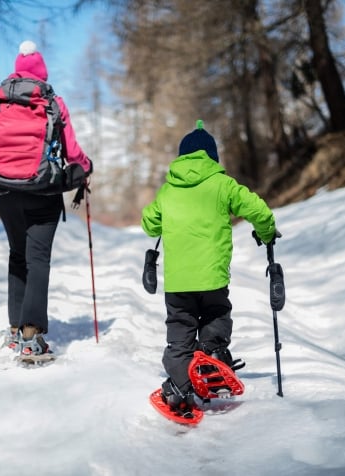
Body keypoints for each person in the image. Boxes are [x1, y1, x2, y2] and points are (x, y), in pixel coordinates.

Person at [141, 120, 277, 412]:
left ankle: (180, 385)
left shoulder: (168, 190)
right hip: (213, 277)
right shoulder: (222, 184)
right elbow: (258, 210)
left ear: (182, 157)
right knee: (216, 314)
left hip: (178, 283)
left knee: (180, 332)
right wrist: (266, 232)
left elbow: (149, 224)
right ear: (212, 157)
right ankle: (212, 354)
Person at [0, 41, 92, 356]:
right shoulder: (53, 102)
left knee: (17, 255)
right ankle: (32, 332)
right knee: (37, 259)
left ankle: (14, 329)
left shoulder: (1, 103)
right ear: (42, 73)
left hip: (6, 194)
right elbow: (71, 151)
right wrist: (86, 167)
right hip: (43, 191)